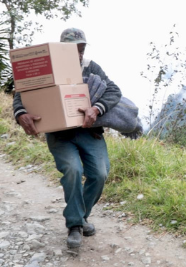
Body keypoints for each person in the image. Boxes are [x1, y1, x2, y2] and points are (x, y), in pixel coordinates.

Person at [13, 28, 122, 249]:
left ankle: (81, 216)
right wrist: (21, 113)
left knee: (100, 173)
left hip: (88, 131)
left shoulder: (90, 67)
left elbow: (114, 91)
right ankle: (75, 225)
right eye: (74, 50)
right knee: (73, 170)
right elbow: (22, 94)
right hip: (59, 134)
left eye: (82, 49)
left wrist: (96, 109)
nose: (79, 54)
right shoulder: (45, 68)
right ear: (61, 49)